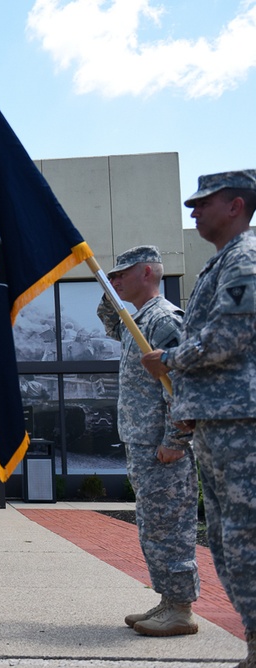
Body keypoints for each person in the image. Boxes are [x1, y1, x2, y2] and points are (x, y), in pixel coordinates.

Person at [142, 170, 256, 666]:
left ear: (236, 205)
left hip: (241, 423)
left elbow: (231, 339)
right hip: (219, 422)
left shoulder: (245, 260)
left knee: (243, 538)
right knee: (230, 544)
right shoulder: (220, 264)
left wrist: (168, 360)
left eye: (202, 203)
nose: (193, 212)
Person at [98, 245, 199, 637]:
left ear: (146, 273)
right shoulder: (134, 321)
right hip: (143, 443)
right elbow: (109, 322)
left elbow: (185, 382)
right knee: (154, 527)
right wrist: (109, 288)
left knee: (170, 525)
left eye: (121, 274)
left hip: (163, 446)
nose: (115, 279)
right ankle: (168, 600)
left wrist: (176, 437)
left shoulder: (164, 320)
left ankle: (181, 610)